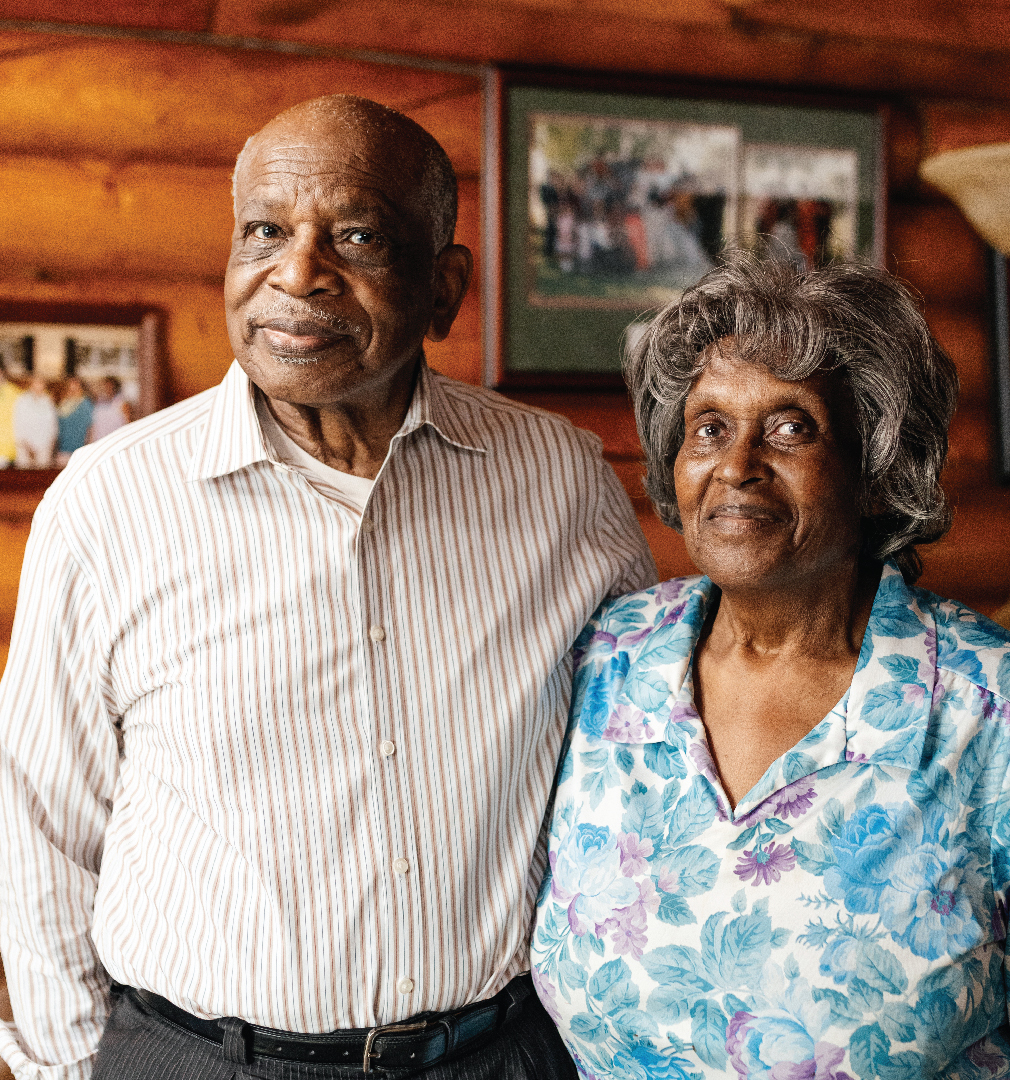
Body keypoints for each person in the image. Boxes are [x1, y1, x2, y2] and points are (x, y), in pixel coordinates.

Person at [0, 95, 656, 1080]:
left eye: (357, 237)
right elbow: (41, 829)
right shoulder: (108, 503)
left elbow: (634, 774)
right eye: (264, 231)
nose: (297, 273)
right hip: (200, 1061)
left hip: (501, 1054)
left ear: (444, 287)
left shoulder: (562, 482)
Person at [532, 252, 1010, 1079]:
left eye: (791, 427)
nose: (738, 464)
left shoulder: (990, 704)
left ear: (875, 469)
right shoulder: (607, 660)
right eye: (708, 426)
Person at [12, 375, 58, 468]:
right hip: (25, 449)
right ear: (31, 384)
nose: (40, 385)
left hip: (44, 449)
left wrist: (52, 444)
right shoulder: (22, 400)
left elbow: (53, 425)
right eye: (37, 382)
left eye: (42, 383)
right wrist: (27, 448)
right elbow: (18, 425)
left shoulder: (48, 401)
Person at [55, 377, 93, 465]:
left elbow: (90, 428)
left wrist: (88, 448)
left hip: (79, 450)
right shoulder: (63, 404)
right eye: (71, 387)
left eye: (76, 387)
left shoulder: (86, 404)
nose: (73, 390)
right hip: (63, 450)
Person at [86, 376, 131, 443]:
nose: (106, 389)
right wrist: (89, 442)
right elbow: (93, 426)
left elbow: (128, 424)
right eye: (104, 386)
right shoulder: (97, 404)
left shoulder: (121, 403)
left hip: (116, 442)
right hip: (98, 442)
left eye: (110, 386)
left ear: (115, 388)